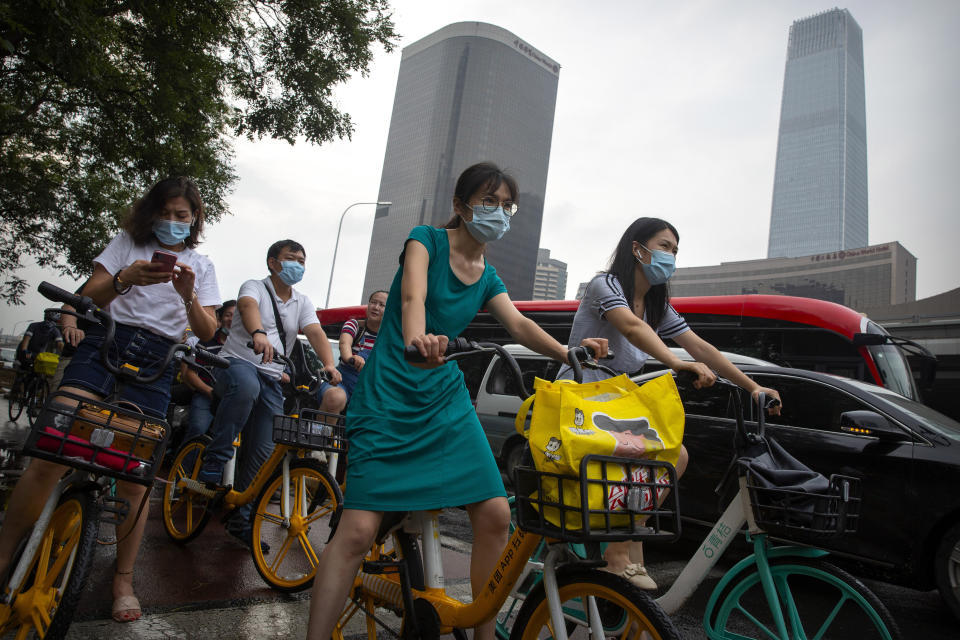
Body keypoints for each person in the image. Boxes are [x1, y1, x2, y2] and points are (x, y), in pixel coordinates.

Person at [305, 162, 608, 640]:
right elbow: (413, 297)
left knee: (496, 514)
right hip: (388, 394)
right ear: (460, 205)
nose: (499, 213)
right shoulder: (425, 239)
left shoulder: (489, 276)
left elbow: (521, 326)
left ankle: (483, 637)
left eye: (507, 205)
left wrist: (567, 351)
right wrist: (417, 340)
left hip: (443, 398)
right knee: (358, 532)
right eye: (489, 202)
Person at [0, 177, 220, 623]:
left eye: (184, 216)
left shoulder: (201, 264)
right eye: (168, 213)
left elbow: (209, 332)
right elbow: (86, 296)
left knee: (137, 477)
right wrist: (125, 279)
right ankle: (3, 555)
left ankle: (123, 579)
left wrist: (188, 294)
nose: (175, 222)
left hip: (158, 359)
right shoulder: (126, 243)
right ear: (151, 211)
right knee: (50, 449)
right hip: (105, 342)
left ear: (194, 219)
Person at [556, 216, 783, 590]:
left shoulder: (658, 306)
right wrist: (676, 362)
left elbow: (701, 347)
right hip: (583, 395)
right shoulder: (605, 284)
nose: (671, 257)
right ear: (637, 248)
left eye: (675, 251)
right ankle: (616, 556)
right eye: (665, 247)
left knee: (675, 457)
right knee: (629, 457)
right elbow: (631, 327)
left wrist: (752, 387)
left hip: (617, 402)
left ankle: (630, 540)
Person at [197, 240, 341, 548]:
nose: (298, 265)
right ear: (272, 262)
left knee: (264, 452)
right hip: (237, 365)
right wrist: (258, 333)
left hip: (272, 379)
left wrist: (329, 363)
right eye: (291, 259)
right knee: (246, 387)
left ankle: (242, 519)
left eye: (302, 261)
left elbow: (314, 331)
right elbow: (248, 308)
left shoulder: (301, 301)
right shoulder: (255, 287)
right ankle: (214, 460)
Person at [316, 289, 387, 410]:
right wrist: (351, 357)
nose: (376, 307)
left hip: (371, 389)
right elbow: (344, 344)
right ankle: (321, 430)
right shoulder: (354, 325)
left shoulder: (389, 337)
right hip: (341, 381)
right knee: (335, 397)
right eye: (373, 302)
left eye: (382, 305)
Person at [179, 299, 236, 442]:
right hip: (206, 397)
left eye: (236, 316)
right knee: (197, 430)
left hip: (233, 401)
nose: (231, 319)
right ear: (220, 318)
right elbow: (190, 374)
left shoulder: (244, 348)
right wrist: (210, 393)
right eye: (228, 315)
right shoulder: (205, 342)